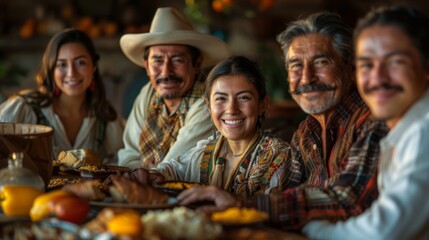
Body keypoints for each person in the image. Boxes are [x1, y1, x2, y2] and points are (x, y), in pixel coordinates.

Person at [177, 12, 388, 230]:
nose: (306, 78)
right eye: (296, 65)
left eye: (321, 62)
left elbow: (349, 199)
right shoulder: (306, 133)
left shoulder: (372, 123)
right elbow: (285, 195)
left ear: (350, 68)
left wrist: (243, 203)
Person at [303, 5, 429, 239]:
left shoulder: (424, 129)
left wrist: (311, 231)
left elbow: (382, 231)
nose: (378, 78)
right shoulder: (405, 127)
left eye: (396, 62)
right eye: (366, 64)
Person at [142, 56, 290, 195]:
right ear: (208, 106)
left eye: (243, 98)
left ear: (262, 105)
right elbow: (173, 169)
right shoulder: (206, 152)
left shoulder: (280, 157)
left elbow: (278, 206)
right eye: (221, 99)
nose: (231, 109)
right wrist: (152, 175)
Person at [117, 7, 230, 169]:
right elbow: (129, 153)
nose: (166, 72)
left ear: (197, 64)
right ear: (147, 66)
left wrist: (140, 176)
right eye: (157, 60)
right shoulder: (148, 92)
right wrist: (136, 176)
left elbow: (172, 167)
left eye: (177, 60)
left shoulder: (210, 101)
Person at [0, 28, 124, 164]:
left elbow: (120, 163)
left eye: (80, 62)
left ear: (93, 66)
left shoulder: (105, 117)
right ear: (51, 69)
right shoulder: (25, 108)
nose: (71, 73)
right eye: (62, 64)